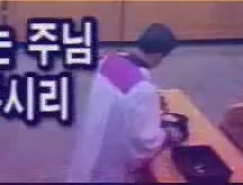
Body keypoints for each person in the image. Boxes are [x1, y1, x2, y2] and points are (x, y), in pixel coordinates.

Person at [67, 23, 179, 183]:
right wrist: (169, 134)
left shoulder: (109, 61)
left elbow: (120, 99)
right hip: (110, 165)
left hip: (92, 142)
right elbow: (146, 143)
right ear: (159, 56)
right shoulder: (143, 90)